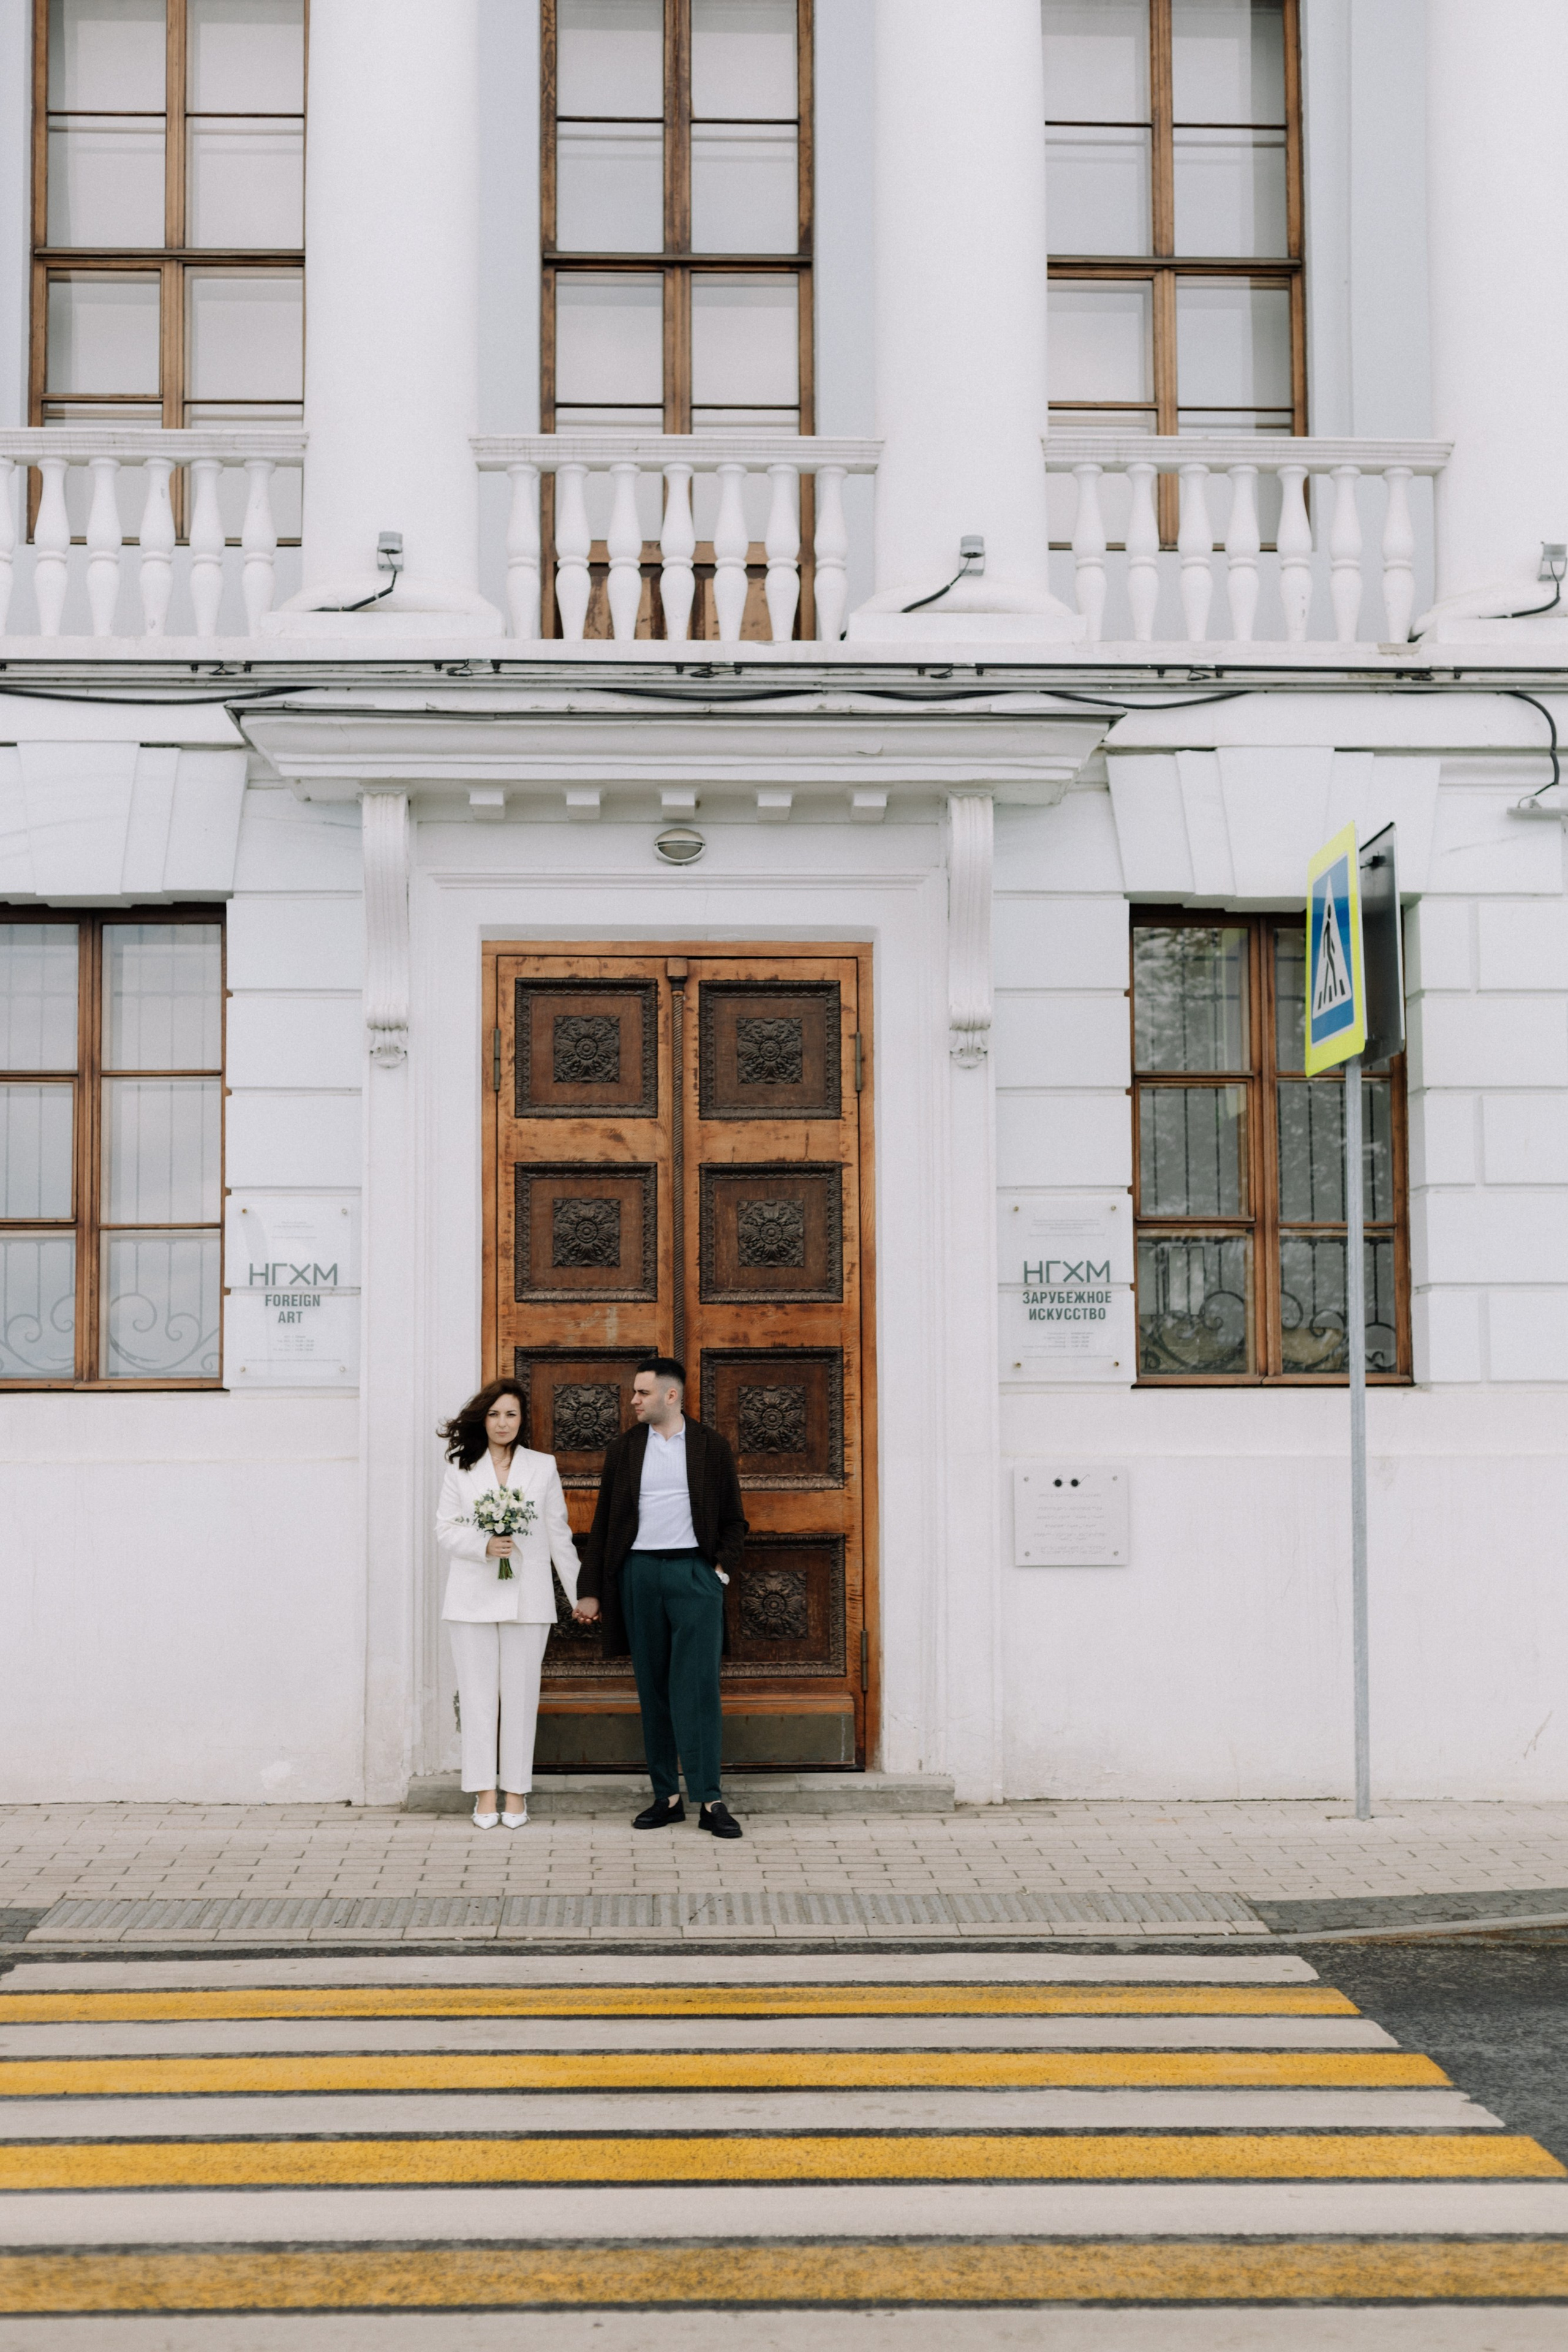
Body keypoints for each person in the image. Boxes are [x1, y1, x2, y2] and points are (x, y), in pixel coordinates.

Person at [575, 1356, 747, 1838]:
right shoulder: (624, 1450)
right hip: (639, 1575)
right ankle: (666, 1796)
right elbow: (604, 1523)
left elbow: (736, 1520)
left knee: (699, 1691)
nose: (633, 1400)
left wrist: (718, 1571)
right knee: (652, 1688)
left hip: (694, 1574)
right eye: (634, 1392)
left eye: (641, 1393)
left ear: (671, 1396)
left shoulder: (711, 1447)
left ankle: (710, 1800)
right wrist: (590, 1591)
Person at [435, 1378, 583, 1830]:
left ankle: (516, 1792)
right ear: (484, 1418)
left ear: (522, 1420)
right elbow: (445, 1530)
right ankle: (483, 1792)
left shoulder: (542, 1467)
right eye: (496, 1414)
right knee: (478, 1698)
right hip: (471, 1598)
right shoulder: (461, 1468)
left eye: (512, 1414)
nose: (503, 1422)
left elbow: (558, 1535)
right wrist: (484, 1544)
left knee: (520, 1697)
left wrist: (581, 1595)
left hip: (528, 1598)